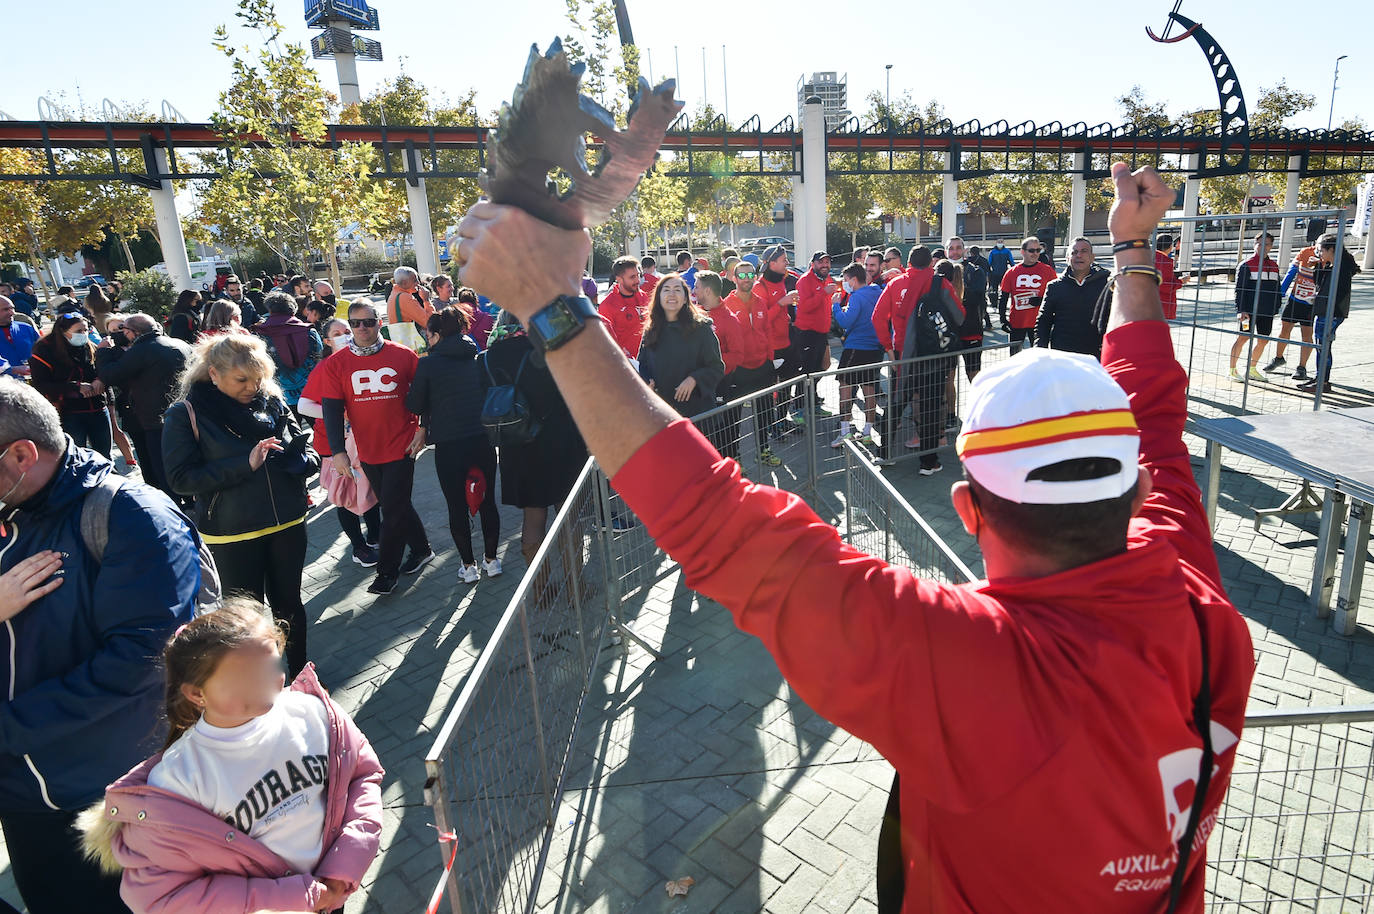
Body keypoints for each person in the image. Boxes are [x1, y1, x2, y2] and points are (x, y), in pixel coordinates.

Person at [451, 159, 1257, 914]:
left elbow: (710, 514)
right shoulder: (1199, 602)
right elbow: (1151, 396)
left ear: (968, 512)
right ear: (1143, 489)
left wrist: (546, 299)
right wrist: (1132, 246)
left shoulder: (965, 661)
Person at [0, 378, 201, 914]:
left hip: (109, 798)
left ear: (22, 454)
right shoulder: (13, 506)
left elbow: (140, 664)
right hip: (24, 797)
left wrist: (8, 727)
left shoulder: (131, 516)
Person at [81, 599, 384, 914]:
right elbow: (162, 897)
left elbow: (362, 776)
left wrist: (342, 870)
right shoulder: (176, 783)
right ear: (196, 693)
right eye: (245, 676)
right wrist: (296, 896)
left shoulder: (314, 712)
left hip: (332, 895)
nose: (268, 682)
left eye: (273, 664)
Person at [163, 333, 319, 676]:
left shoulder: (273, 401)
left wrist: (300, 462)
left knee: (290, 606)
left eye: (258, 377)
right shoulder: (186, 413)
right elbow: (180, 479)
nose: (252, 387)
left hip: (287, 522)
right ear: (214, 374)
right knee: (243, 620)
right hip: (232, 533)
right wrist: (244, 465)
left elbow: (309, 454)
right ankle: (255, 683)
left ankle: (300, 676)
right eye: (241, 379)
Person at [320, 301, 433, 595]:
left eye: (367, 322)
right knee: (395, 505)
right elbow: (331, 411)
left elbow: (426, 394)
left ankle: (387, 573)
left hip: (402, 445)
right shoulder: (336, 364)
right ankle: (422, 549)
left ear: (378, 322)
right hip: (366, 450)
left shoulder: (403, 355)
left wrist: (423, 428)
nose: (362, 329)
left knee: (392, 510)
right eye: (355, 323)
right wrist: (337, 451)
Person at [482, 311, 588, 566]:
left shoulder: (488, 355)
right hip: (560, 442)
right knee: (569, 515)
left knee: (532, 516)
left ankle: (540, 589)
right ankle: (576, 587)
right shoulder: (549, 348)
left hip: (517, 445)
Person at [407, 307, 503, 584]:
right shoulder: (480, 358)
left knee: (456, 505)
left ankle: (468, 566)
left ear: (435, 334)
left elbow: (414, 404)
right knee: (487, 503)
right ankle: (492, 560)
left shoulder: (427, 364)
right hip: (483, 438)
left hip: (449, 444)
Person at [298, 317, 381, 568]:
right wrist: (337, 412)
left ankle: (376, 537)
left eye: (348, 330)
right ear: (326, 340)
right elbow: (304, 405)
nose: (345, 335)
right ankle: (359, 546)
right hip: (336, 445)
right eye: (338, 333)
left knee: (372, 491)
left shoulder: (363, 360)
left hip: (368, 441)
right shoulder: (326, 367)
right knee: (346, 496)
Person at [871, 245, 961, 472]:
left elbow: (877, 318)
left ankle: (883, 454)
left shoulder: (896, 283)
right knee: (931, 407)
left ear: (908, 262)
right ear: (930, 262)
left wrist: (889, 350)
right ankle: (928, 463)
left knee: (897, 403)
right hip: (934, 355)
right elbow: (960, 315)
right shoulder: (941, 283)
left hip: (903, 355)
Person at [97, 313, 192, 498]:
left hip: (153, 418)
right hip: (182, 413)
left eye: (123, 330)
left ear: (134, 332)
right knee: (181, 459)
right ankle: (187, 500)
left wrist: (103, 352)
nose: (120, 334)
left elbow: (110, 375)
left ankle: (172, 502)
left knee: (160, 465)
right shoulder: (178, 344)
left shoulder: (142, 350)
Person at [636, 273, 725, 418]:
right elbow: (642, 364)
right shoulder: (651, 330)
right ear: (658, 298)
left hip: (697, 414)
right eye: (666, 290)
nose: (672, 294)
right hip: (662, 413)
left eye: (677, 290)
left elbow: (716, 368)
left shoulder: (701, 329)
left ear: (685, 298)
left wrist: (694, 379)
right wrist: (647, 381)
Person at [721, 261, 783, 467]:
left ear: (755, 277)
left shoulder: (759, 302)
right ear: (734, 278)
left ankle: (763, 450)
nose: (747, 279)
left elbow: (767, 331)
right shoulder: (727, 305)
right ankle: (734, 457)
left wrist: (770, 358)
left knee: (765, 412)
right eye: (742, 276)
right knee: (733, 418)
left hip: (762, 367)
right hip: (739, 371)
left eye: (750, 276)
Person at [27, 313, 113, 458]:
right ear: (62, 331)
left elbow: (106, 371)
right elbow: (40, 385)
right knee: (75, 457)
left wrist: (101, 380)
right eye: (79, 331)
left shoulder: (90, 347)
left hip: (98, 408)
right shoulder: (44, 351)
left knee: (105, 455)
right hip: (68, 412)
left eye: (86, 330)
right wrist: (75, 387)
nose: (84, 334)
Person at [1298, 233, 1361, 395]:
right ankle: (1320, 378)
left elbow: (1336, 291)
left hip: (1332, 312)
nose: (1318, 253)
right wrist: (1319, 266)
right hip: (1325, 310)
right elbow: (1319, 285)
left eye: (1321, 250)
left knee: (1323, 346)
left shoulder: (1342, 267)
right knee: (1322, 346)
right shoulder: (1332, 265)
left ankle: (1323, 381)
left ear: (1331, 249)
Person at [831, 262, 884, 446]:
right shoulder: (876, 291)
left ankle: (845, 431)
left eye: (845, 280)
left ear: (853, 280)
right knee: (869, 389)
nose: (844, 283)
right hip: (875, 348)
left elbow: (846, 321)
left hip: (856, 349)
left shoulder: (856, 297)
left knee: (845, 389)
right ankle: (868, 431)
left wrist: (836, 306)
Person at [1036, 237, 1111, 359]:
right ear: (1067, 258)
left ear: (1092, 257)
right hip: (1063, 357)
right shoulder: (1054, 287)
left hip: (1096, 357)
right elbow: (1044, 320)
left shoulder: (1107, 285)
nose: (1079, 255)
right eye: (1074, 252)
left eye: (1084, 251)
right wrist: (1040, 350)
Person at [253, 291, 324, 411]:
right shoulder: (310, 332)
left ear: (270, 310)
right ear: (294, 310)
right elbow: (321, 362)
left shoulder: (259, 336)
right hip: (312, 394)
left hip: (279, 396)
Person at [1263, 239, 1322, 380]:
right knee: (1284, 329)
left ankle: (1302, 367)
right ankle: (1278, 358)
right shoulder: (1305, 252)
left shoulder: (1330, 259)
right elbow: (1292, 271)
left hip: (1311, 303)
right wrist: (1280, 293)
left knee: (1307, 335)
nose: (1321, 250)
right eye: (1319, 247)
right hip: (1295, 298)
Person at [1228, 232, 1281, 382]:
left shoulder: (1274, 266)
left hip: (1267, 312)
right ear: (1254, 244)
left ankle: (1251, 369)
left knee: (1263, 340)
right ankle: (1232, 370)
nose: (1263, 246)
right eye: (1260, 243)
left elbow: (1277, 288)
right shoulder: (1246, 265)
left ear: (1271, 246)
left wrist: (1276, 306)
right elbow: (1239, 290)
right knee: (1243, 338)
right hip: (1248, 312)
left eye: (1267, 244)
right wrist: (1241, 310)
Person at [998, 237, 1058, 353]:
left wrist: (1041, 301)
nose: (1035, 253)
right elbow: (1003, 296)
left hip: (1039, 323)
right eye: (1031, 250)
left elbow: (1056, 295)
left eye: (1038, 250)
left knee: (1039, 357)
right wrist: (1002, 319)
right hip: (1017, 322)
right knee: (1015, 358)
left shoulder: (1048, 270)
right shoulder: (1011, 272)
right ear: (1022, 251)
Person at [948, 236, 989, 396]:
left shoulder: (976, 271)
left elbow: (977, 297)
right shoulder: (940, 271)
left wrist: (956, 290)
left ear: (964, 250)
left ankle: (982, 413)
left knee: (974, 375)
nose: (955, 251)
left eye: (958, 247)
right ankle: (950, 417)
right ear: (946, 251)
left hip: (971, 329)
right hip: (948, 333)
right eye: (951, 248)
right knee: (948, 377)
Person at [794, 251, 838, 378]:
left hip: (822, 332)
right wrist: (823, 292)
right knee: (808, 370)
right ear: (813, 264)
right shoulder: (804, 280)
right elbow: (804, 307)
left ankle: (812, 394)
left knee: (824, 365)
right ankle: (804, 397)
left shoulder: (827, 278)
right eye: (821, 262)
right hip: (808, 333)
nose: (825, 265)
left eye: (827, 262)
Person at [598, 256, 649, 359]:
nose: (638, 280)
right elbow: (604, 341)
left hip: (646, 362)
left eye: (638, 275)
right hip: (624, 364)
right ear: (619, 279)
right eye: (632, 277)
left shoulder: (644, 297)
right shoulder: (607, 305)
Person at [387, 266, 433, 350]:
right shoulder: (405, 297)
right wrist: (426, 300)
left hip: (400, 345)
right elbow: (429, 322)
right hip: (411, 348)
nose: (418, 283)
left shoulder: (394, 295)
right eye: (415, 280)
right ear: (404, 283)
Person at [0, 295, 39, 378]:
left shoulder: (26, 328)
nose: (12, 312)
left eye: (12, 308)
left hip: (32, 381)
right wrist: (12, 369)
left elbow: (44, 350)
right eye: (6, 309)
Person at [456, 285, 495, 350]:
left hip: (465, 356)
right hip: (483, 355)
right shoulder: (488, 318)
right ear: (476, 300)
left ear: (460, 302)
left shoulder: (456, 319)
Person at [1155, 233, 1182, 321]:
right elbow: (1166, 285)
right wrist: (1181, 282)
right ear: (1170, 246)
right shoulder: (1165, 262)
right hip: (1163, 302)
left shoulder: (1150, 257)